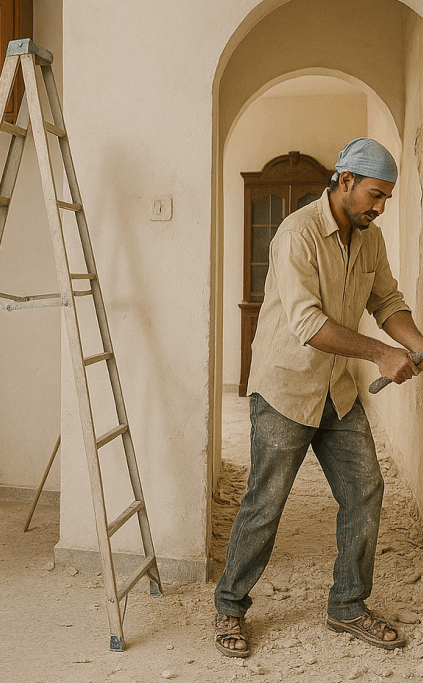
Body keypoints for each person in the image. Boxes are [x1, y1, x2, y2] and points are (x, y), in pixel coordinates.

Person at [213, 138, 422, 658]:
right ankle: (230, 606)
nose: (380, 207)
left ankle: (348, 605)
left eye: (387, 198)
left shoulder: (368, 238)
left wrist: (417, 344)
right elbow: (307, 324)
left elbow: (387, 300)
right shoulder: (296, 234)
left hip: (337, 390)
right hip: (285, 386)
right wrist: (381, 353)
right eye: (375, 195)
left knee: (365, 491)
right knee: (266, 502)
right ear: (345, 180)